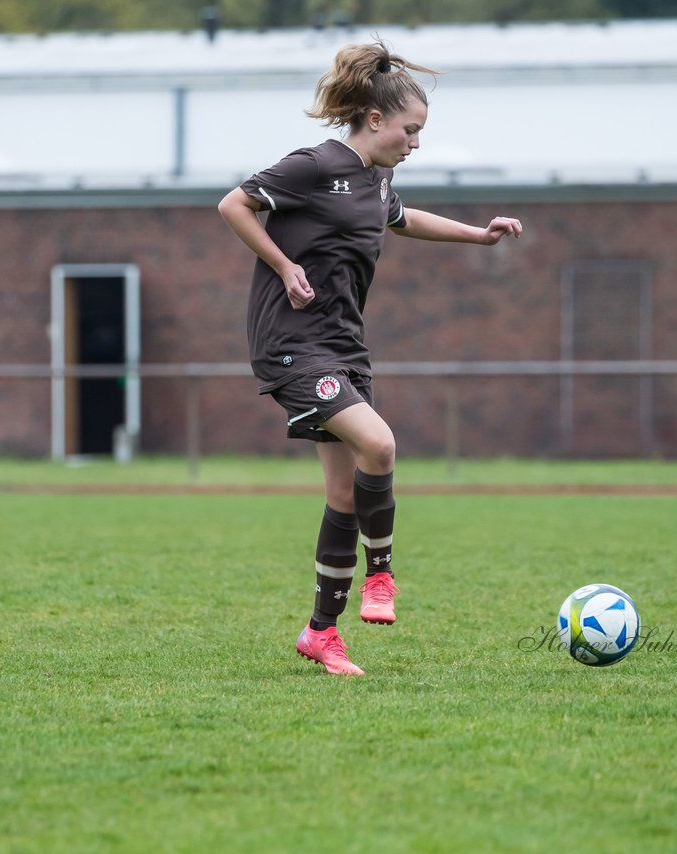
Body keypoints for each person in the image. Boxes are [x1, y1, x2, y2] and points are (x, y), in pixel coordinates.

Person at [217, 40, 523, 675]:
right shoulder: (313, 165)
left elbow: (401, 217)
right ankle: (381, 575)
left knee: (345, 496)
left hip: (345, 350)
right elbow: (234, 204)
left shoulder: (376, 180)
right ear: (376, 119)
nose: (416, 142)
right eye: (411, 130)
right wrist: (283, 263)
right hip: (292, 348)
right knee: (379, 446)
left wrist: (478, 234)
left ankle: (321, 633)